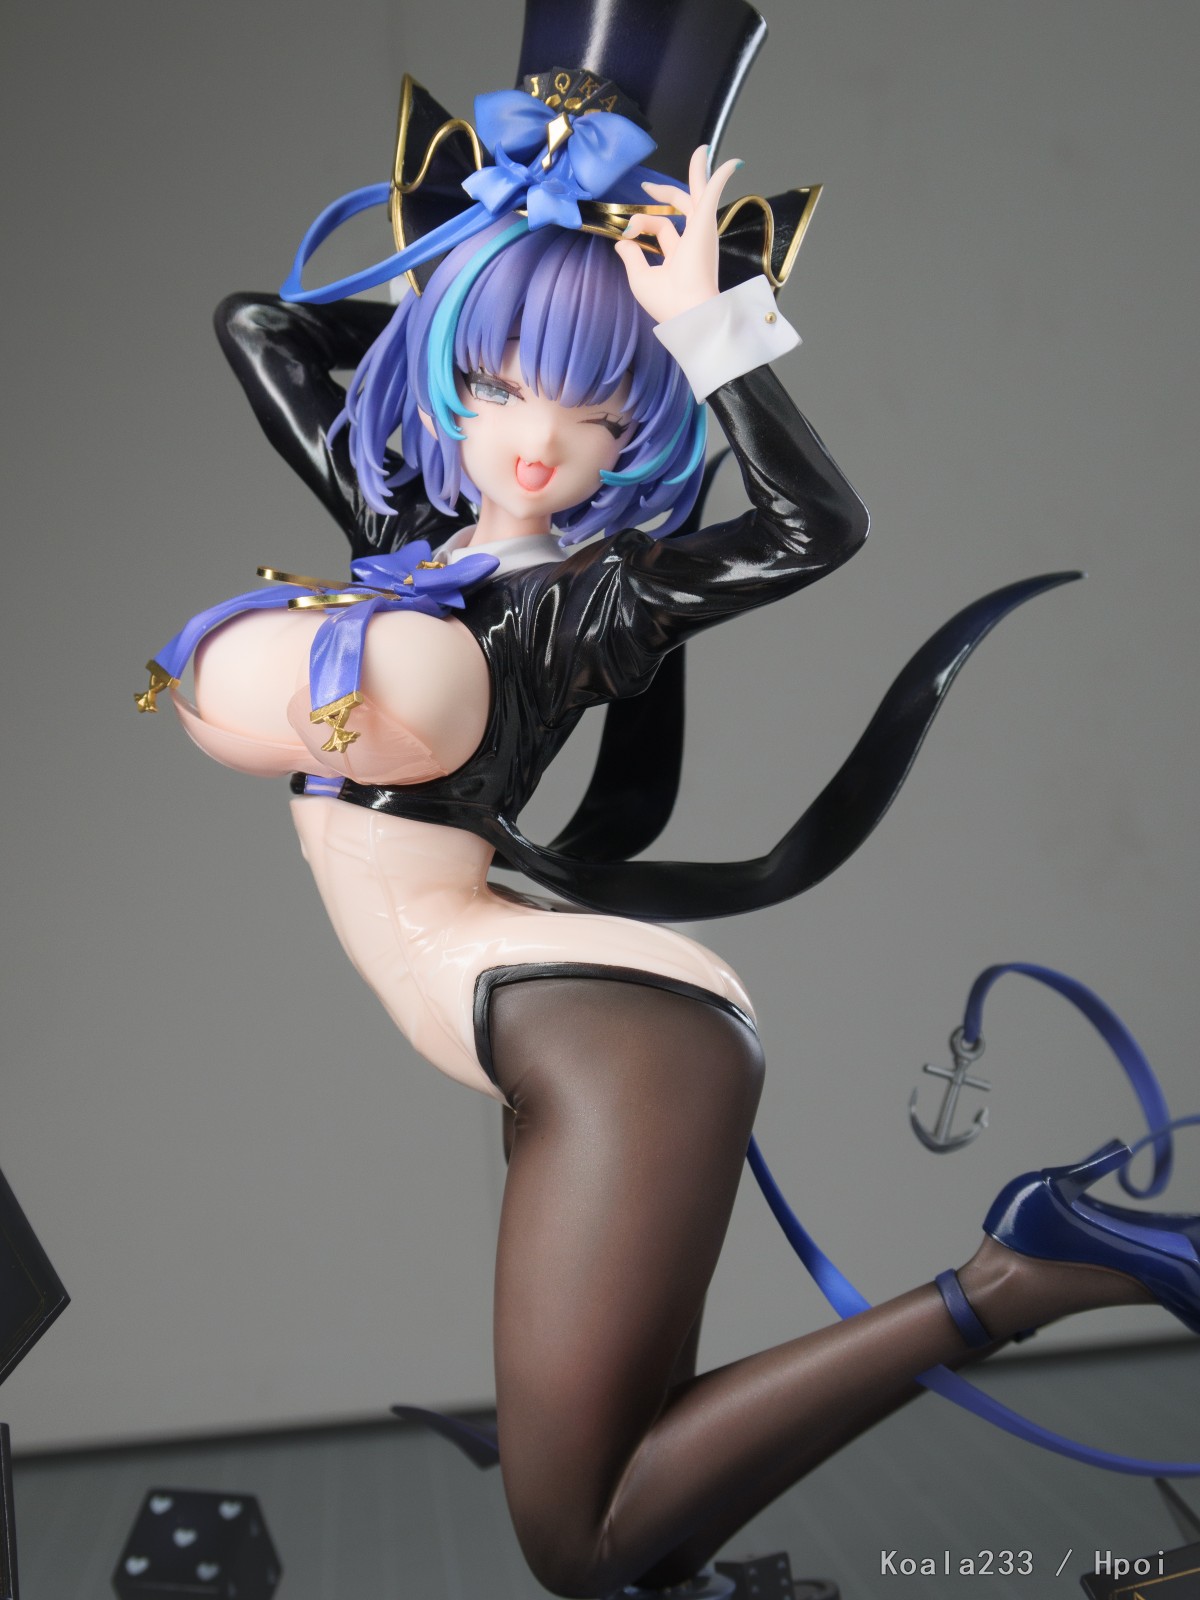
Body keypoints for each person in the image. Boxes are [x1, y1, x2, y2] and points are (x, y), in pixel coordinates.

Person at [142, 12, 1198, 1596]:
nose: (534, 443)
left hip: (594, 1028)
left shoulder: (600, 596)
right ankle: (1015, 1280)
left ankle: (1021, 1275)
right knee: (639, 1498)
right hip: (552, 1007)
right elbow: (259, 327)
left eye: (597, 412)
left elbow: (814, 524)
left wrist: (706, 323)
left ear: (645, 425)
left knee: (580, 1541)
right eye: (497, 387)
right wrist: (501, 248)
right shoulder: (398, 520)